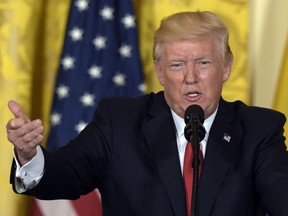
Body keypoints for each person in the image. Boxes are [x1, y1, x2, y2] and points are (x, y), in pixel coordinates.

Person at [6, 11, 288, 216]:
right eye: (177, 65)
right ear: (160, 72)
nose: (191, 77)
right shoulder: (120, 122)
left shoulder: (259, 129)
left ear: (226, 68)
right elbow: (63, 175)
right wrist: (30, 156)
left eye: (203, 62)